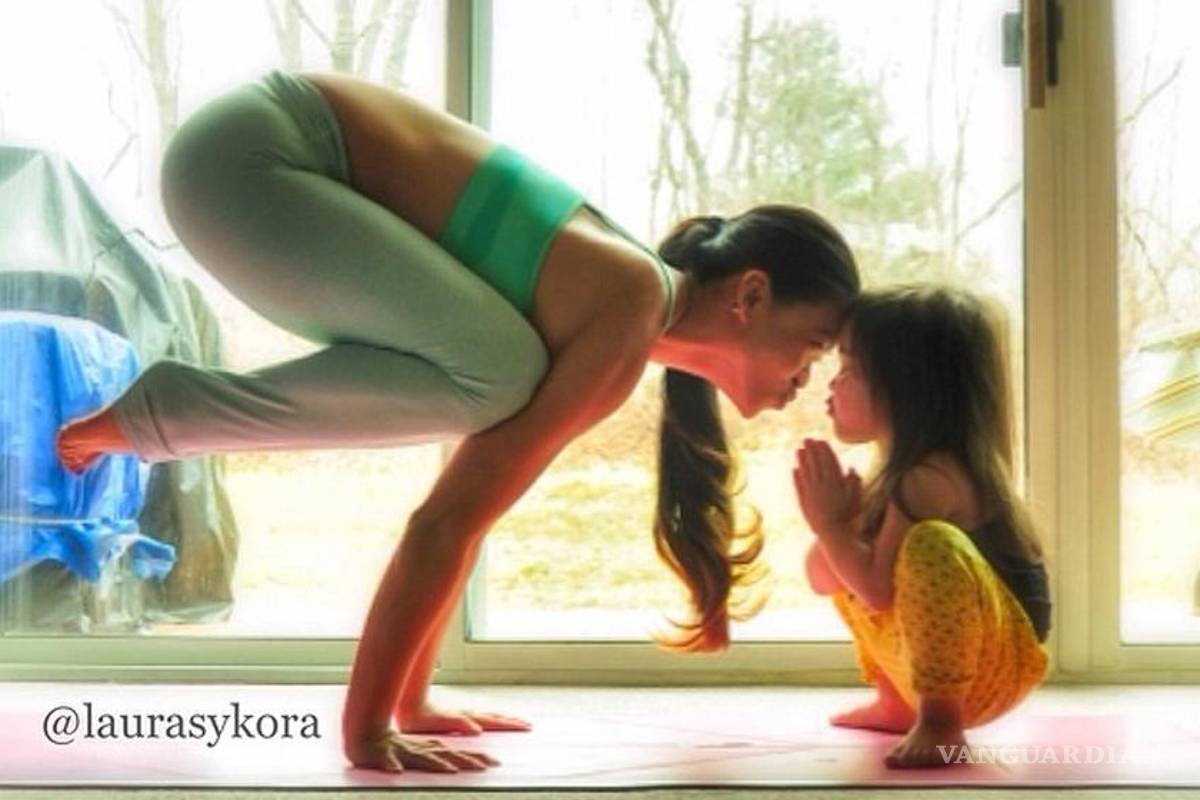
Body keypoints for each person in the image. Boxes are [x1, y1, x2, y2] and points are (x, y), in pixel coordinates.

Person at [54, 70, 861, 773]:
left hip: (242, 158)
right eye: (813, 348)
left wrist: (412, 703)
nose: (806, 379)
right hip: (249, 161)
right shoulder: (628, 303)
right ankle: (163, 413)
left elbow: (455, 521)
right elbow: (445, 523)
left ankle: (165, 412)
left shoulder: (619, 300)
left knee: (501, 373)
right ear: (750, 296)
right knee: (502, 377)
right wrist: (370, 730)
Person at [793, 285, 1051, 769]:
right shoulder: (893, 478)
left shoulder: (931, 479)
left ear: (903, 388)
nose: (832, 386)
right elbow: (823, 577)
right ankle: (897, 702)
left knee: (930, 545)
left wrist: (831, 526)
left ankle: (941, 722)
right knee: (855, 554)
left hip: (994, 669)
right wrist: (840, 529)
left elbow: (873, 591)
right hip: (935, 665)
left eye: (847, 370)